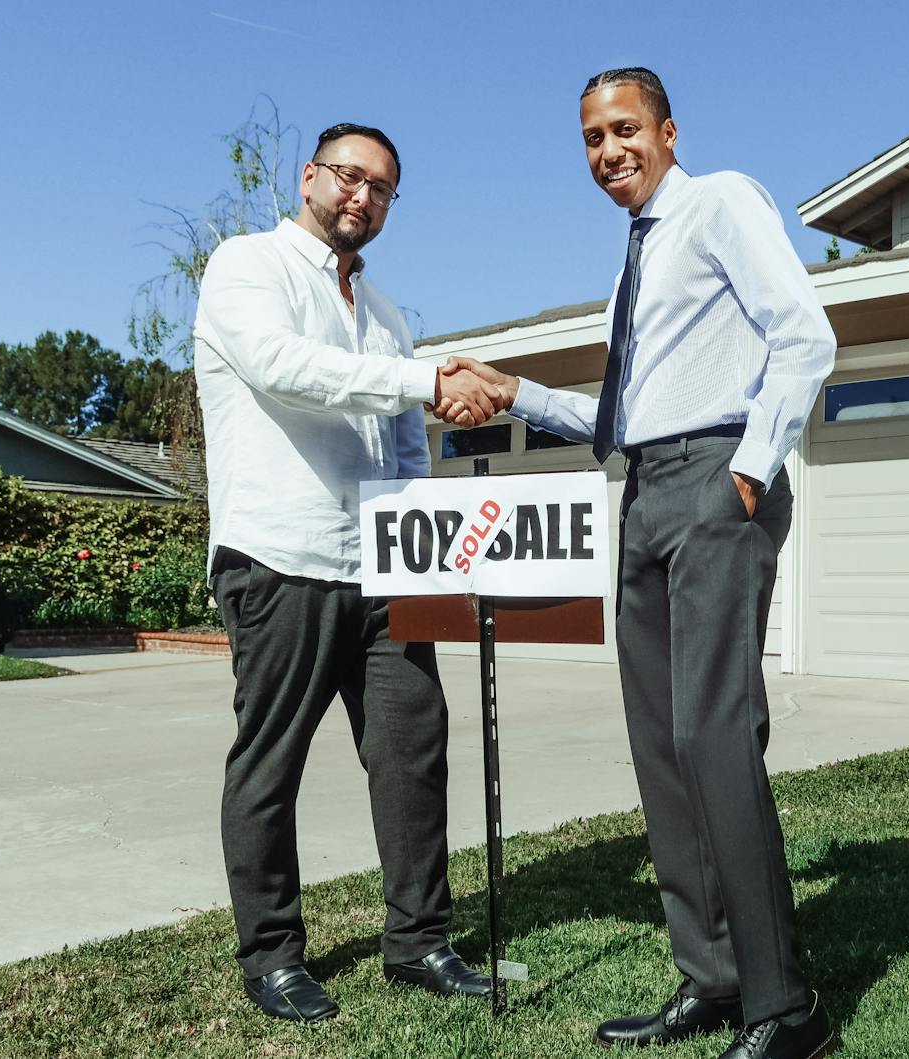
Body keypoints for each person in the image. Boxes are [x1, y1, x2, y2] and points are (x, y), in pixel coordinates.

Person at [436, 69, 838, 1059]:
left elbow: (805, 337)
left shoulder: (717, 202)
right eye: (590, 138)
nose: (607, 150)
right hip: (647, 486)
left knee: (710, 732)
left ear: (666, 130)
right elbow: (621, 421)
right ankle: (710, 977)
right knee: (660, 746)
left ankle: (786, 1009)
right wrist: (516, 390)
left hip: (714, 478)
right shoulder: (634, 261)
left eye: (624, 129)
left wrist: (747, 474)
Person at [193, 121, 502, 1023]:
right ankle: (273, 954)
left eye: (381, 189)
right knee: (270, 761)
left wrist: (428, 548)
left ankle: (418, 940)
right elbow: (283, 369)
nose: (361, 197)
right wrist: (421, 378)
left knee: (413, 749)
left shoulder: (389, 314)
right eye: (348, 176)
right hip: (279, 555)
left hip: (383, 566)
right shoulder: (245, 267)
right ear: (309, 178)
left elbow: (406, 446)